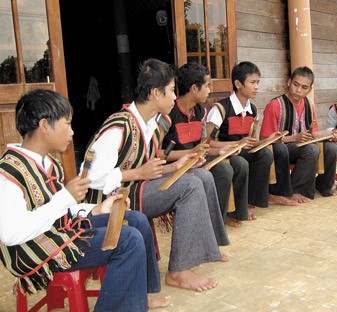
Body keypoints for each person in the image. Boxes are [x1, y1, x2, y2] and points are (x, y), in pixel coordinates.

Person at [0, 89, 168, 311]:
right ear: (44, 126)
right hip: (35, 250)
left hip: (58, 231)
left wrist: (97, 209)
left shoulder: (48, 162)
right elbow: (10, 235)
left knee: (135, 219)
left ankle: (138, 294)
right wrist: (65, 198)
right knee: (128, 240)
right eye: (66, 124)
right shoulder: (8, 172)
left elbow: (62, 211)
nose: (71, 132)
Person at [83, 58, 230, 291]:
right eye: (171, 91)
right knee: (189, 186)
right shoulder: (118, 126)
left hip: (136, 187)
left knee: (201, 175)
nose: (174, 96)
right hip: (113, 200)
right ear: (155, 93)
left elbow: (150, 168)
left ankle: (209, 246)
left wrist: (177, 165)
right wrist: (138, 172)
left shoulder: (149, 125)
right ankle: (178, 271)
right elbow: (92, 179)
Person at [161, 62, 243, 227]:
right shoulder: (168, 114)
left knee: (225, 169)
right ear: (193, 88)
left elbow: (202, 147)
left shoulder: (200, 112)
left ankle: (215, 222)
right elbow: (158, 152)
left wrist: (220, 151)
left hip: (194, 162)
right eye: (206, 86)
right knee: (207, 175)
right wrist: (191, 152)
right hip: (173, 166)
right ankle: (201, 225)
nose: (209, 90)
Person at [206, 61, 283, 221]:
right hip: (222, 154)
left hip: (240, 151)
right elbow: (207, 143)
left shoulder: (252, 110)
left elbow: (250, 142)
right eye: (252, 82)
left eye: (258, 83)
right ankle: (233, 211)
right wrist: (235, 145)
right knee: (241, 163)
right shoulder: (220, 109)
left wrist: (267, 140)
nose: (256, 87)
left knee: (265, 155)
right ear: (238, 84)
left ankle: (249, 203)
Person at [260, 66, 337, 202]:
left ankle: (323, 185)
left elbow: (313, 133)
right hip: (282, 149)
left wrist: (328, 137)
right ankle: (296, 190)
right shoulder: (275, 105)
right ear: (289, 82)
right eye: (296, 85)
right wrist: (294, 138)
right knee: (311, 149)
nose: (298, 90)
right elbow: (265, 140)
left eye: (304, 87)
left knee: (332, 148)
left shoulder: (309, 103)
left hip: (302, 146)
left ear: (309, 89)